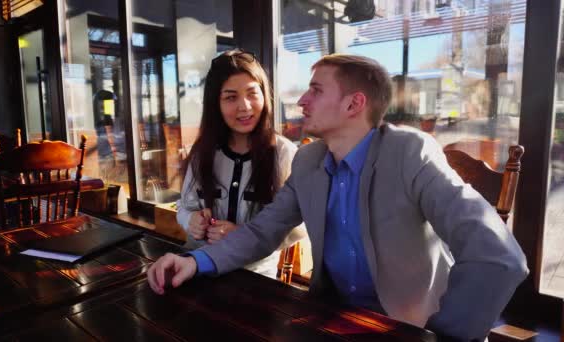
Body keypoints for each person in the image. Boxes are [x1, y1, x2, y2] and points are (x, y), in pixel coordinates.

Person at [147, 54, 528, 341]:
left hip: (407, 326)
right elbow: (262, 231)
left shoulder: (411, 152)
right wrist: (196, 261)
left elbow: (499, 257)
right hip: (332, 319)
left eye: (315, 90)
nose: (301, 102)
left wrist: (444, 335)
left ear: (353, 104)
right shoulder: (310, 160)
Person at [175, 49, 306, 278]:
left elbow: (300, 226)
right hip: (198, 269)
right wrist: (191, 221)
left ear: (265, 96)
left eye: (252, 94)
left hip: (255, 276)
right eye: (231, 97)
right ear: (216, 104)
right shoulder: (202, 153)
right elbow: (184, 206)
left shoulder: (285, 153)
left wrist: (244, 236)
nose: (244, 106)